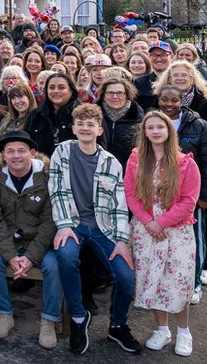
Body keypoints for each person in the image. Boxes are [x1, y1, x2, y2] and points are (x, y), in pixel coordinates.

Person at [48, 104, 141, 355]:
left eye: (91, 124)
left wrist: (122, 241)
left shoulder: (111, 163)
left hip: (104, 228)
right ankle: (79, 317)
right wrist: (65, 224)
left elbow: (119, 206)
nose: (85, 128)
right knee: (65, 257)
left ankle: (117, 325)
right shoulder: (61, 153)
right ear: (73, 128)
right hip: (73, 225)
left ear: (99, 130)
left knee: (125, 277)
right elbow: (56, 191)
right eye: (81, 124)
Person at [124, 111, 200, 357]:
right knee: (153, 281)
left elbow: (189, 202)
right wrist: (148, 222)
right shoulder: (136, 160)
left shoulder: (185, 163)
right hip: (146, 231)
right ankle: (162, 329)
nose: (155, 131)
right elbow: (131, 195)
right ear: (144, 132)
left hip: (176, 231)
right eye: (150, 127)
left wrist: (162, 223)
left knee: (177, 281)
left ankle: (184, 332)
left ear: (169, 131)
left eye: (160, 127)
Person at [0, 131, 61, 349]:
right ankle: (4, 315)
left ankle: (48, 320)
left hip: (39, 241)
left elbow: (49, 223)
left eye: (22, 151)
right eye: (10, 151)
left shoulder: (47, 178)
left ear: (32, 153)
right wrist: (10, 256)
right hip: (7, 240)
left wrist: (30, 257)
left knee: (55, 265)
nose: (16, 156)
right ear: (3, 155)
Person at [156, 85, 207, 304]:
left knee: (194, 241)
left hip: (191, 197)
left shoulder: (200, 126)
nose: (168, 104)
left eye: (173, 100)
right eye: (164, 99)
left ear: (182, 101)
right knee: (168, 243)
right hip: (161, 197)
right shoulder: (152, 124)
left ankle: (194, 284)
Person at [154, 59, 207, 169]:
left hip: (198, 174)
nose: (180, 78)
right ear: (169, 79)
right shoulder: (156, 105)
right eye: (175, 75)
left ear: (192, 80)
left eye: (184, 75)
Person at [25, 73, 79, 158]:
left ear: (71, 91)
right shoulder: (35, 115)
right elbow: (26, 144)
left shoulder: (82, 115)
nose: (56, 91)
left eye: (61, 88)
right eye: (51, 88)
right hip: (43, 167)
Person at [96, 77, 144, 168]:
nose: (115, 97)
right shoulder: (94, 116)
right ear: (104, 95)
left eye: (119, 93)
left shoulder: (139, 119)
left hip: (129, 170)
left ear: (127, 95)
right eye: (110, 93)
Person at [135, 41, 173, 110]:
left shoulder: (179, 81)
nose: (158, 59)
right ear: (149, 57)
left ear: (172, 57)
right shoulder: (139, 83)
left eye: (163, 55)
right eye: (154, 55)